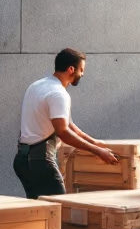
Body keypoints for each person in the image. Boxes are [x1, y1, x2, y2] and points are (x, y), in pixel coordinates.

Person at [14, 48, 118, 199]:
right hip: (40, 161)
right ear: (71, 69)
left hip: (22, 160)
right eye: (81, 70)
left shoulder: (36, 86)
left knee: (38, 211)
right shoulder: (59, 94)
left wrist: (94, 142)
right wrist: (98, 152)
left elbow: (68, 125)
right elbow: (63, 132)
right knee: (60, 210)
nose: (82, 74)